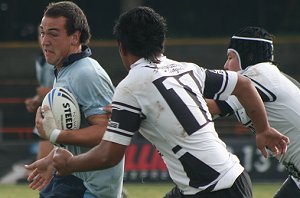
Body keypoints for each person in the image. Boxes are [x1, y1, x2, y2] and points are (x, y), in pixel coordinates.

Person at [30, 7, 288, 198]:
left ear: (121, 47)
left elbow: (109, 155)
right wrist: (263, 129)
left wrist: (67, 163)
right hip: (230, 177)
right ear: (160, 42)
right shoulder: (186, 69)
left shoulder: (130, 86)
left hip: (211, 189)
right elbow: (243, 84)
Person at [24, 1, 124, 198]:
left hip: (91, 189)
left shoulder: (86, 73)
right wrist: (52, 159)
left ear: (75, 37)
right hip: (72, 177)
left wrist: (55, 135)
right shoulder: (64, 71)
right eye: (42, 33)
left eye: (53, 33)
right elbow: (77, 130)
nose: (44, 41)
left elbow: (107, 132)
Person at [205, 26, 300, 198]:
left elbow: (210, 108)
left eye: (230, 58)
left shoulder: (257, 74)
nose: (226, 65)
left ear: (247, 57)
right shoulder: (272, 76)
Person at [25, 29, 54, 161]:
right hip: (47, 114)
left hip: (61, 116)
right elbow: (44, 88)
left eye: (51, 33)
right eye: (41, 34)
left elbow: (71, 87)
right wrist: (36, 99)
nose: (44, 38)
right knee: (44, 162)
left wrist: (48, 92)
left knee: (44, 162)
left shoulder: (61, 58)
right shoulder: (40, 59)